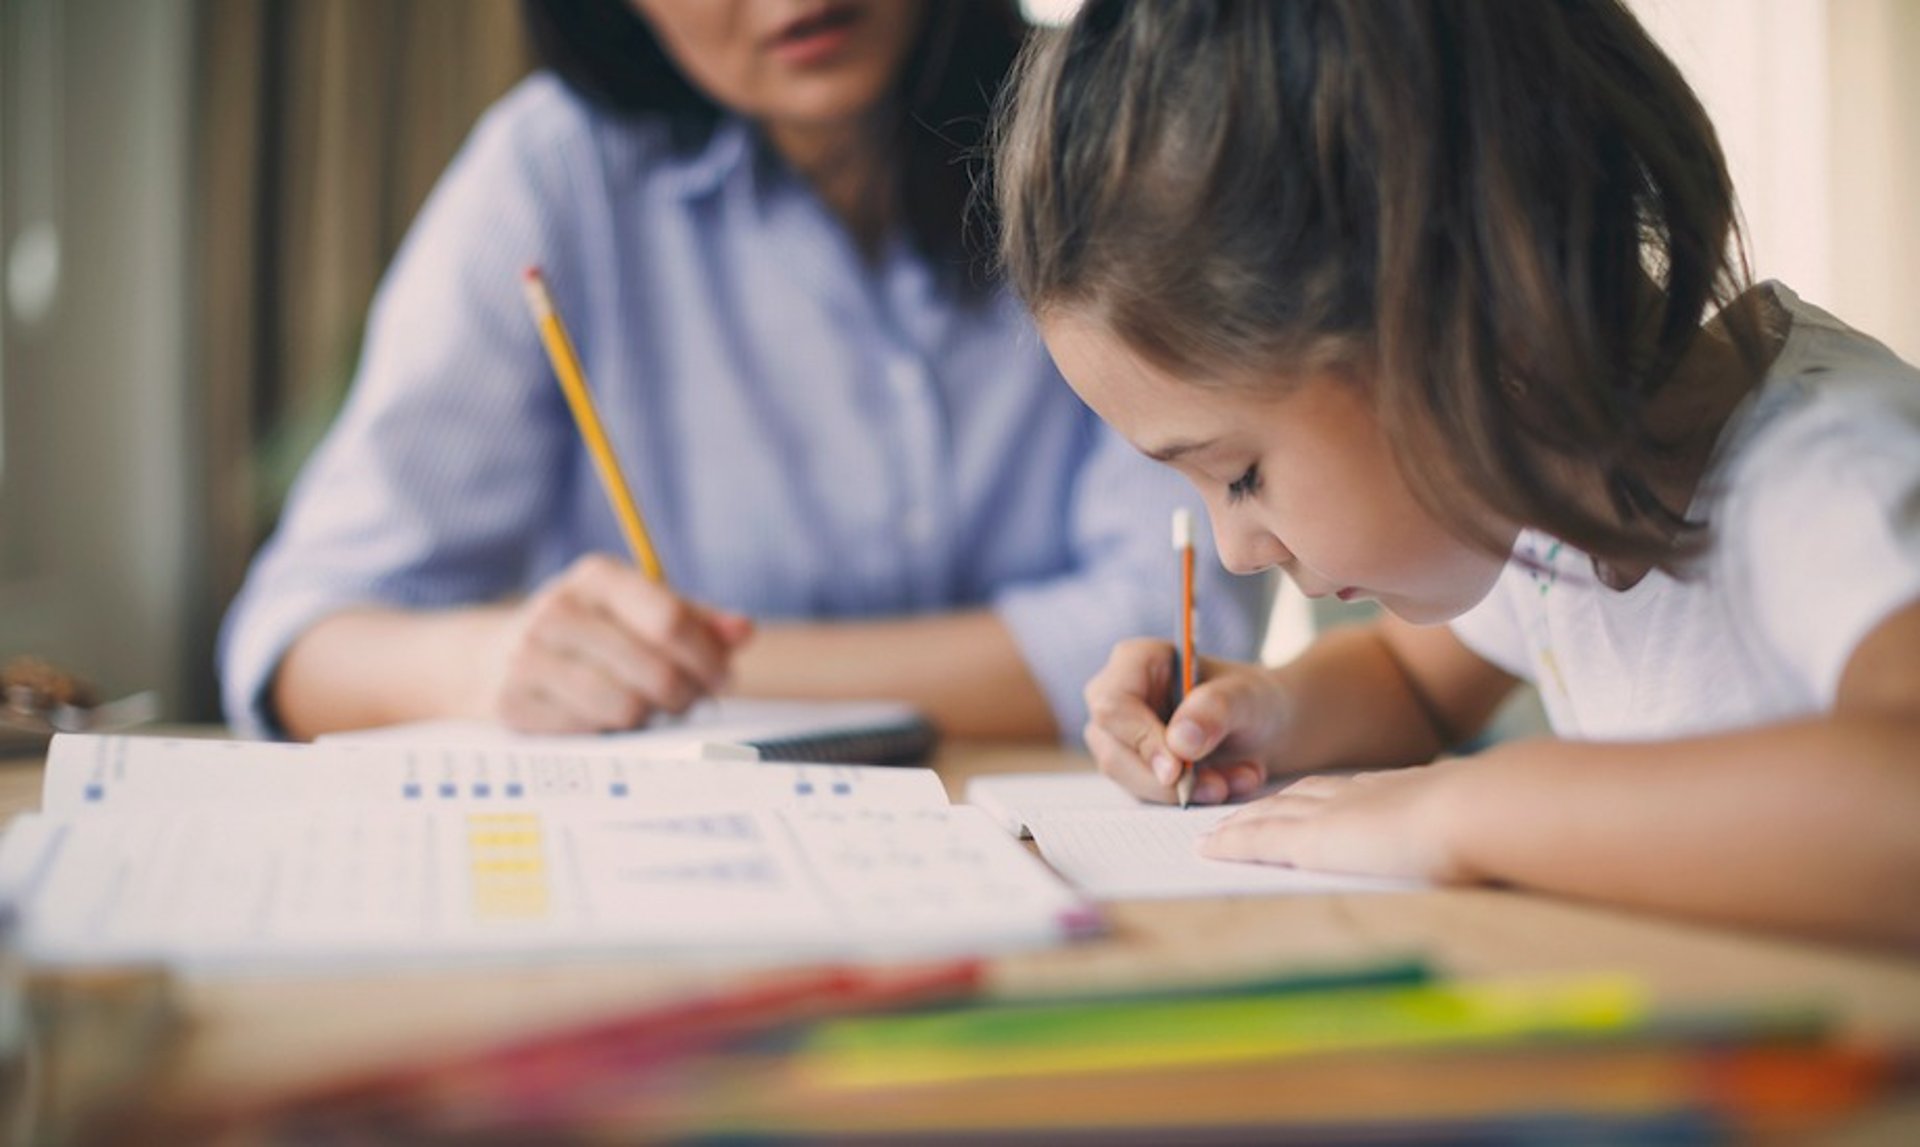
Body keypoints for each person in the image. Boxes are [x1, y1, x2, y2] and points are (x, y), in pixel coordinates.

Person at [996, 0, 1920, 946]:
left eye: (1239, 474)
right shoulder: (1544, 488)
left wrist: (1469, 810)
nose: (1235, 551)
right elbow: (1414, 681)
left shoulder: (1827, 477)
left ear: (1458, 306)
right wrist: (1264, 713)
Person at [218, 0, 1264, 743]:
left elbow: (1181, 631)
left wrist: (698, 676)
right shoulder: (553, 178)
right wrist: (496, 665)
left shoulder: (1112, 129)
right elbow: (295, 640)